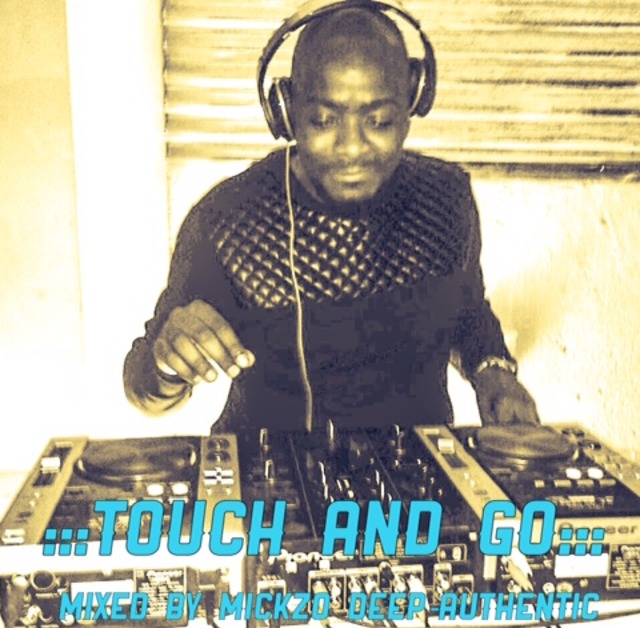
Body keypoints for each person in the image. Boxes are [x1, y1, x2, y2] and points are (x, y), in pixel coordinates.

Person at [123, 1, 539, 434]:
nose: (352, 147)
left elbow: (467, 314)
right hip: (268, 470)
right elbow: (142, 389)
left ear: (413, 102)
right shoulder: (225, 222)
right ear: (287, 111)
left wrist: (494, 373)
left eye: (380, 120)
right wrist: (167, 365)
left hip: (417, 466)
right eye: (323, 120)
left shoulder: (446, 197)